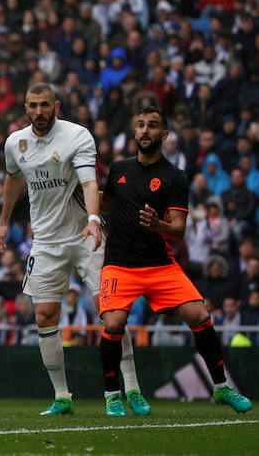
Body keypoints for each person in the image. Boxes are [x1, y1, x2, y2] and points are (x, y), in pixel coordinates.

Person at [0, 83, 149, 416]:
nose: (39, 111)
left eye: (45, 105)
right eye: (33, 105)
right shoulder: (14, 143)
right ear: (25, 107)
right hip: (46, 243)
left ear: (57, 106)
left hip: (85, 237)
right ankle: (62, 396)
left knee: (111, 313)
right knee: (44, 316)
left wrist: (94, 218)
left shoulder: (77, 136)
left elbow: (90, 182)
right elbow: (12, 178)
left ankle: (131, 389)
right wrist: (4, 222)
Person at [98, 106, 252, 416]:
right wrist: (81, 192)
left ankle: (221, 388)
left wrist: (159, 226)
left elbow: (178, 231)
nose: (145, 130)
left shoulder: (175, 177)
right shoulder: (118, 169)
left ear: (164, 135)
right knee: (113, 323)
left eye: (152, 126)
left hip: (159, 264)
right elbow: (108, 206)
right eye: (140, 124)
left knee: (199, 314)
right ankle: (113, 395)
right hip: (119, 264)